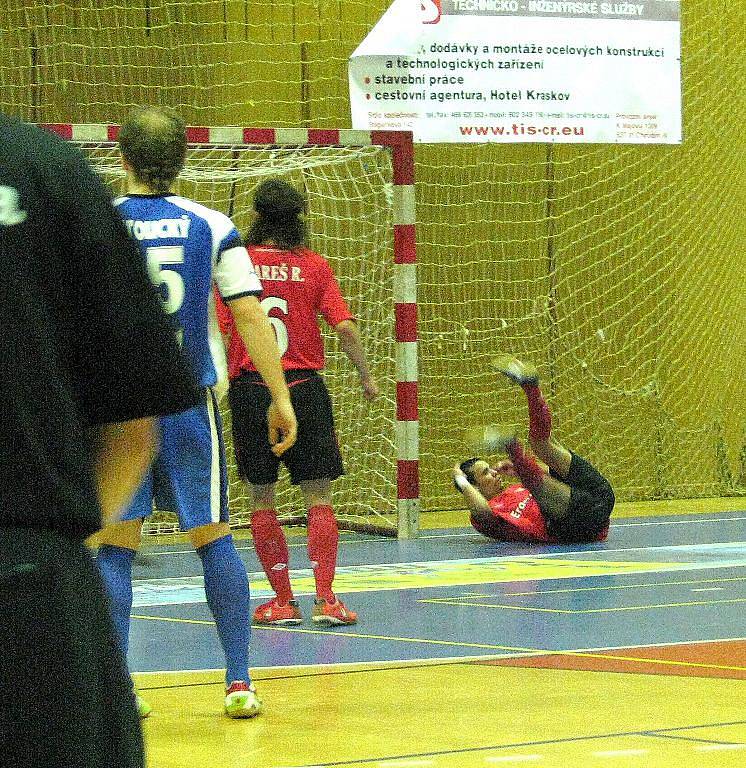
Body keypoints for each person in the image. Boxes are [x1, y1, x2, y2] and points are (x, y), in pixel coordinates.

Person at [0, 115, 200, 768]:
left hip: (35, 565)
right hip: (35, 573)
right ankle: (240, 674)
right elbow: (132, 426)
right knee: (214, 537)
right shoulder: (49, 170)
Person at [94, 107, 298, 720]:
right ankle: (238, 682)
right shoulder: (213, 225)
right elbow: (247, 315)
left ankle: (121, 691)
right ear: (183, 161)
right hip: (188, 405)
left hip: (116, 409)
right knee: (213, 538)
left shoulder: (97, 222)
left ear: (122, 159)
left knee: (113, 547)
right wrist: (279, 395)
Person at [216, 177, 378, 627]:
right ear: (298, 219)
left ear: (257, 215)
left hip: (251, 389)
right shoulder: (314, 265)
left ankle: (282, 601)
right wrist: (366, 377)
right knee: (319, 496)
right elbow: (344, 327)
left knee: (260, 498)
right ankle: (326, 599)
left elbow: (220, 322)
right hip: (304, 389)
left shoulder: (237, 263)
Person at [452, 355, 614, 544]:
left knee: (541, 444)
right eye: (485, 472)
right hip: (578, 524)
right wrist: (462, 482)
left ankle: (530, 387)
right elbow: (482, 512)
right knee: (536, 483)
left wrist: (519, 469)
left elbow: (553, 475)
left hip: (600, 496)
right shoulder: (490, 513)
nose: (494, 472)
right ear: (475, 486)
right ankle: (512, 445)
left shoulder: (517, 487)